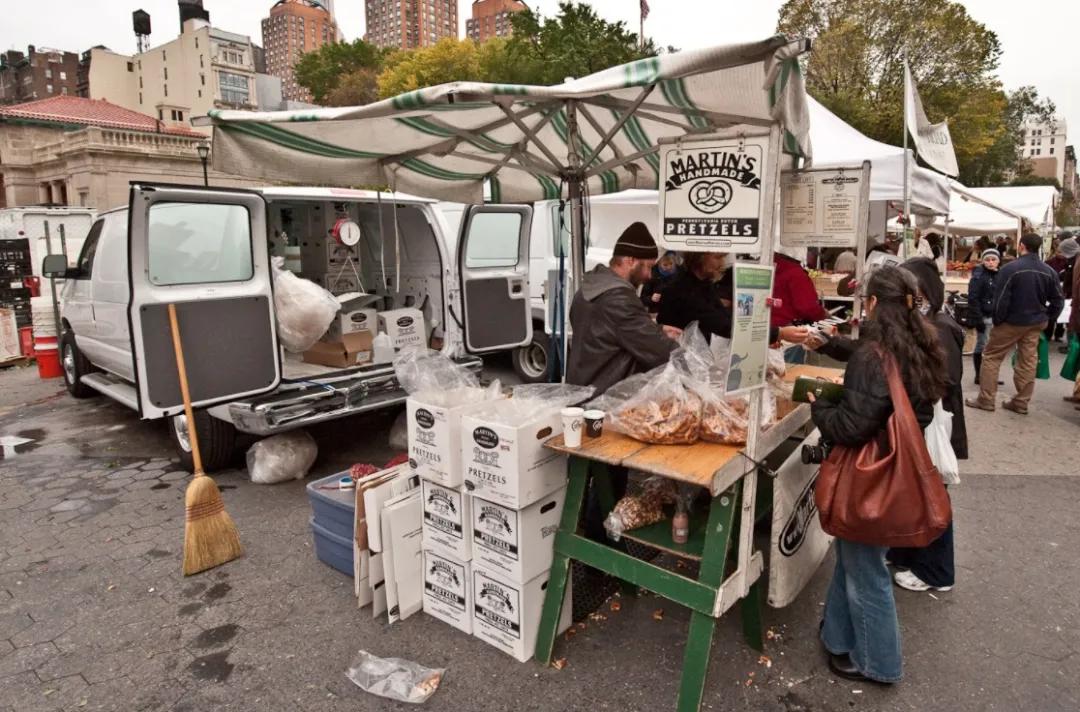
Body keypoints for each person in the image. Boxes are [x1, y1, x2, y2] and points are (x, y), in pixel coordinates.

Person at [810, 266, 946, 684]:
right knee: (853, 560)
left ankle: (878, 663)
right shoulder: (918, 343)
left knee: (866, 572)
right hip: (895, 473)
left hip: (871, 479)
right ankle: (837, 637)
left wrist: (820, 404)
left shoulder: (875, 356)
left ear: (871, 304)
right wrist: (832, 344)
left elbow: (850, 427)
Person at [566, 222, 679, 395]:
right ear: (630, 260)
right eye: (649, 267)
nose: (650, 275)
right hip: (604, 398)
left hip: (583, 389)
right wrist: (693, 362)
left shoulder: (589, 288)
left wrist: (658, 329)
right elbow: (659, 351)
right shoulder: (619, 298)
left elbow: (612, 332)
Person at [966, 233, 1065, 415]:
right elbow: (1058, 300)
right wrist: (1047, 317)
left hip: (1011, 321)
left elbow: (1001, 299)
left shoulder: (1010, 269)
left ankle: (986, 399)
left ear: (1021, 246)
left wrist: (999, 319)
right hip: (1034, 322)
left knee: (992, 357)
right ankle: (1021, 402)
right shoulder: (1048, 271)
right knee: (1028, 361)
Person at [658, 252, 809, 346]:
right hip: (675, 359)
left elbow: (726, 316)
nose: (722, 264)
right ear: (699, 256)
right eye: (718, 257)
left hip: (694, 355)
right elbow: (722, 325)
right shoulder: (682, 288)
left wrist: (764, 337)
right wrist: (779, 333)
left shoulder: (703, 283)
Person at [966, 248, 1001, 384]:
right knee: (983, 346)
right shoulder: (978, 276)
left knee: (994, 347)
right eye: (987, 260)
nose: (991, 262)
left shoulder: (1000, 275)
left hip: (997, 316)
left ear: (998, 261)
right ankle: (979, 375)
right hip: (984, 316)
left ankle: (991, 375)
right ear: (983, 261)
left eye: (993, 260)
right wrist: (978, 318)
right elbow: (973, 298)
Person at [639, 250, 680, 314]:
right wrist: (651, 298)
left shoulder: (679, 272)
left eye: (671, 264)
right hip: (656, 311)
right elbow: (642, 299)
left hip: (674, 311)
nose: (669, 267)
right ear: (659, 263)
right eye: (665, 265)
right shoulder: (651, 275)